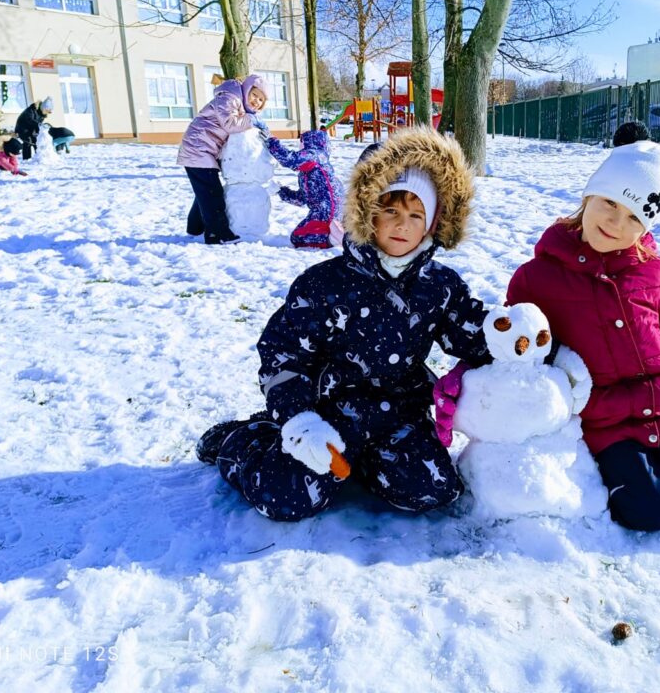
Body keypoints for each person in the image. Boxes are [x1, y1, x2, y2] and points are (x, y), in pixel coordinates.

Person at [440, 141, 660, 538]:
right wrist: (470, 375)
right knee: (651, 512)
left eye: (633, 217)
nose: (615, 223)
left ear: (647, 226)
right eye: (610, 203)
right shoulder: (536, 278)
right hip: (610, 424)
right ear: (590, 194)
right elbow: (519, 343)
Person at [196, 128, 492, 521]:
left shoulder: (439, 286)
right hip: (326, 415)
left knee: (432, 489)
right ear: (367, 212)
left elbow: (473, 334)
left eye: (415, 215)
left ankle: (370, 466)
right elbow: (283, 354)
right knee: (285, 497)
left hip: (398, 416)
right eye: (390, 211)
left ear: (434, 223)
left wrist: (517, 338)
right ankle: (245, 440)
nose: (402, 225)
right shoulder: (324, 285)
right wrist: (299, 418)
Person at [176, 74, 268, 244]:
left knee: (205, 191)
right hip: (198, 149)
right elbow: (230, 124)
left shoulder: (236, 102)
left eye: (261, 100)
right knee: (212, 193)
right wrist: (252, 120)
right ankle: (217, 234)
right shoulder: (229, 98)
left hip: (202, 149)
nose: (257, 101)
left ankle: (195, 228)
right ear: (246, 89)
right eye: (255, 95)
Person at [267, 130, 342, 249]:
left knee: (298, 238)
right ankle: (333, 231)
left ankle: (332, 238)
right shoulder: (307, 170)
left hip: (327, 208)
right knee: (298, 236)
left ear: (310, 141)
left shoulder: (314, 155)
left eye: (301, 142)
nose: (300, 145)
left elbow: (290, 160)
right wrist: (280, 191)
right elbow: (302, 199)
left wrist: (271, 142)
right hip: (320, 209)